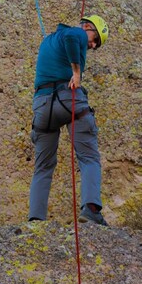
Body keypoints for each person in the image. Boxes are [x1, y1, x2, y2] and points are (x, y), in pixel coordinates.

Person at [28, 15, 109, 226]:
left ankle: (36, 219)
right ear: (87, 27)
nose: (91, 45)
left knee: (43, 166)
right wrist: (77, 72)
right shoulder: (76, 33)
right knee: (89, 157)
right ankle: (91, 210)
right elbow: (73, 40)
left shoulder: (47, 40)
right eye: (94, 40)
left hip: (42, 105)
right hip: (68, 96)